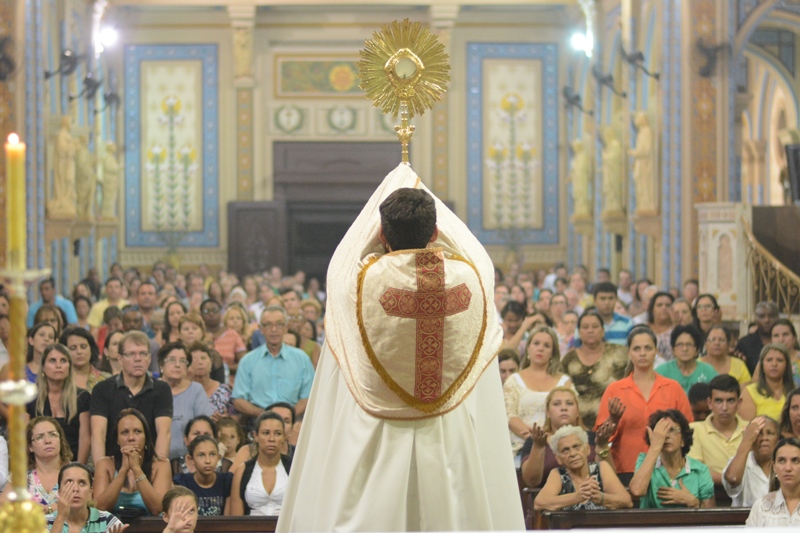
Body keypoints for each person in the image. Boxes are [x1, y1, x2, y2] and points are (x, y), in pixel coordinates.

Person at [277, 175, 523, 531]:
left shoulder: (358, 282)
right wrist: (414, 178)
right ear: (437, 232)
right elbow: (480, 259)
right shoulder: (472, 280)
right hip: (445, 431)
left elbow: (341, 263)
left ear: (380, 235)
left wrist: (394, 178)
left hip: (377, 432)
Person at [595, 326, 694, 475]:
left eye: (648, 348)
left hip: (667, 471)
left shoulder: (673, 388)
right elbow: (601, 438)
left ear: (656, 351)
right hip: (625, 469)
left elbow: (687, 432)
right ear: (629, 353)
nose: (642, 353)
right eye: (636, 349)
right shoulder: (615, 390)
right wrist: (613, 419)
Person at [91, 331, 173, 461]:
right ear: (120, 359)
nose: (138, 358)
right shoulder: (102, 389)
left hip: (150, 465)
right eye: (131, 354)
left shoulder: (162, 389)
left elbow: (164, 433)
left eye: (143, 353)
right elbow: (98, 434)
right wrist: (101, 473)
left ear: (150, 358)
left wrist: (159, 471)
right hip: (113, 466)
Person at [519, 386, 616, 488]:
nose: (563, 408)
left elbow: (610, 477)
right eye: (557, 404)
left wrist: (602, 445)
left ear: (577, 411)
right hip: (549, 501)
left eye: (569, 403)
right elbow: (531, 481)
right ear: (547, 412)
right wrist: (538, 446)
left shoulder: (593, 438)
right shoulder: (535, 440)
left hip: (592, 498)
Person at [232, 306, 314, 422]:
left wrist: (287, 417)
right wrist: (265, 415)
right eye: (268, 325)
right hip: (258, 423)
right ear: (261, 329)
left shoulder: (301, 359)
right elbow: (238, 400)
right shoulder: (248, 361)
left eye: (279, 324)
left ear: (286, 327)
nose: (274, 329)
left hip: (293, 424)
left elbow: (309, 396)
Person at [504, 326, 572, 456]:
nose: (540, 348)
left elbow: (571, 415)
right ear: (528, 347)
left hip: (558, 448)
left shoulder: (564, 382)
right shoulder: (513, 381)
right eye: (536, 343)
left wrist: (550, 441)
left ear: (553, 352)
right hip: (521, 447)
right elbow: (509, 416)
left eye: (546, 345)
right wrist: (534, 439)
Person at [533, 425, 632, 511]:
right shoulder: (558, 474)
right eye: (565, 450)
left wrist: (600, 498)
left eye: (576, 447)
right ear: (558, 458)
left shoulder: (602, 468)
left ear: (587, 449)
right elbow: (539, 503)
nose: (572, 454)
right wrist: (577, 497)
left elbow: (627, 501)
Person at [94, 408, 171, 516]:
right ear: (117, 439)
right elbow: (99, 509)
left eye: (137, 431)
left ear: (146, 437)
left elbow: (158, 509)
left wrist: (137, 470)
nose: (131, 438)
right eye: (125, 432)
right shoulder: (105, 464)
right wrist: (123, 471)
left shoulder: (161, 465)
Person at [630, 410, 715, 508]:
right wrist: (654, 447)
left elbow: (711, 515)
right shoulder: (645, 460)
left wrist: (693, 502)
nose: (666, 436)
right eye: (661, 432)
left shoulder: (700, 470)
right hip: (654, 522)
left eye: (672, 430)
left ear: (683, 440)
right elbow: (637, 491)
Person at [560, 311, 629, 428]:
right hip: (578, 425)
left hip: (617, 421)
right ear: (579, 332)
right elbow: (562, 393)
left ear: (603, 331)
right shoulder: (569, 359)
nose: (590, 330)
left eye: (595, 327)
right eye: (585, 327)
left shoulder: (620, 353)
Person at [28, 344, 91, 464]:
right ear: (43, 367)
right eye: (52, 361)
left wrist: (78, 469)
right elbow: (24, 438)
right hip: (38, 465)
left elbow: (85, 439)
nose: (58, 365)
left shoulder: (82, 397)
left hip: (72, 464)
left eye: (63, 361)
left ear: (69, 366)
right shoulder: (31, 397)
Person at [0, 417, 72, 513]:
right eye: (40, 437)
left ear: (60, 440)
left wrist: (49, 509)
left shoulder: (75, 472)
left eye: (53, 435)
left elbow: (87, 506)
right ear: (30, 447)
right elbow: (3, 505)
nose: (48, 441)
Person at [686, 374, 747, 485]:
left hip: (749, 497)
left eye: (730, 401)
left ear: (739, 403)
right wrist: (731, 480)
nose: (724, 407)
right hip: (708, 496)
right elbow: (696, 470)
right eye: (719, 401)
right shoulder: (694, 430)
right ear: (709, 403)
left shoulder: (751, 430)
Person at [158, 342, 214, 460]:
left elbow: (204, 428)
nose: (178, 365)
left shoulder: (196, 390)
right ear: (161, 365)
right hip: (155, 460)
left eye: (183, 361)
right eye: (172, 360)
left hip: (189, 461)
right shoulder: (152, 390)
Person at [229, 412, 292, 516]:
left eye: (278, 434)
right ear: (256, 436)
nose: (271, 439)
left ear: (284, 437)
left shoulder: (294, 468)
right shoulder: (243, 470)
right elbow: (236, 521)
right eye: (266, 433)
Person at [46, 462, 127, 533]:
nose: (75, 489)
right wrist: (60, 517)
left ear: (90, 491)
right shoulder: (44, 522)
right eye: (69, 482)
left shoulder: (108, 521)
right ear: (59, 491)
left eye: (82, 483)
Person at [723, 416, 780, 507]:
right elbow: (733, 478)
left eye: (770, 433)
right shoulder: (739, 461)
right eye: (759, 434)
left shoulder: (786, 463)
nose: (764, 438)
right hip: (745, 519)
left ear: (778, 440)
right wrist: (746, 441)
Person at [173, 435, 232, 516]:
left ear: (219, 458)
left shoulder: (227, 481)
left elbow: (228, 520)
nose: (208, 461)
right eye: (201, 455)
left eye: (212, 454)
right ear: (191, 459)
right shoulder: (182, 483)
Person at [746, 437, 800, 526]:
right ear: (774, 467)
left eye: (795, 461)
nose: (788, 468)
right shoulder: (761, 507)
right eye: (782, 460)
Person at [656, 325, 718, 395]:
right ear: (673, 350)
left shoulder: (708, 371)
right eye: (680, 345)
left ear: (697, 350)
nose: (684, 349)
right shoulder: (662, 372)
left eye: (689, 345)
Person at [740, 343, 794, 421]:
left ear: (786, 365)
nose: (774, 364)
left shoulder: (794, 393)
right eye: (769, 360)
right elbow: (747, 428)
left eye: (779, 360)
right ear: (762, 365)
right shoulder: (749, 392)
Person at [190, 342, 236, 419]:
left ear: (211, 362)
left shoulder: (225, 391)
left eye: (203, 358)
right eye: (194, 359)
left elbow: (236, 417)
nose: (200, 362)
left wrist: (227, 419)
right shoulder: (184, 391)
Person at [61, 326, 110, 391]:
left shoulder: (106, 379)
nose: (79, 352)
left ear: (91, 349)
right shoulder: (60, 379)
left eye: (83, 347)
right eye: (73, 348)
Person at [736, 301, 779, 375]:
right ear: (756, 319)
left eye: (771, 316)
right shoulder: (744, 343)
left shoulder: (784, 340)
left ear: (778, 318)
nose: (767, 320)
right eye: (762, 316)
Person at [588, 282, 632, 346]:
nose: (607, 302)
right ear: (595, 300)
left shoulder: (627, 322)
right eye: (602, 298)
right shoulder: (585, 323)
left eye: (611, 298)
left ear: (616, 299)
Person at [648, 291, 675, 362]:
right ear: (652, 309)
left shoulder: (676, 331)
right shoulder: (644, 329)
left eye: (668, 305)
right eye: (659, 305)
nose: (664, 308)